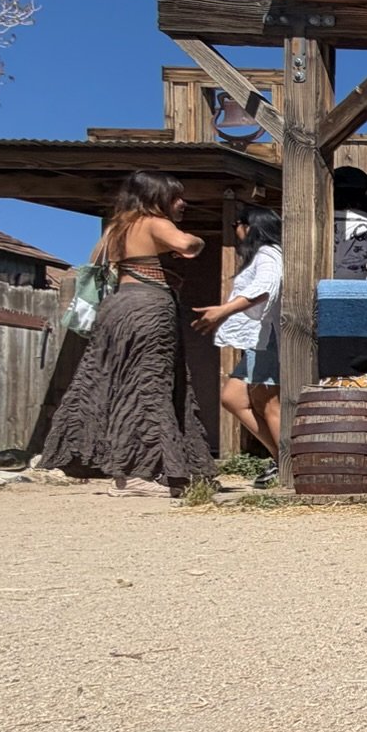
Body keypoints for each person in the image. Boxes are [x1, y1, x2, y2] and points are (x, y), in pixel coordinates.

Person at [41, 170, 216, 497]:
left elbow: (94, 262)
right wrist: (190, 242)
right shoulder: (153, 222)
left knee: (119, 385)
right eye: (175, 197)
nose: (182, 203)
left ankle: (135, 471)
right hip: (148, 308)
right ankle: (140, 475)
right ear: (156, 198)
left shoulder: (115, 228)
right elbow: (188, 244)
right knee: (151, 387)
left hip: (116, 308)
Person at [191, 206, 283, 481]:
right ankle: (281, 458)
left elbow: (267, 286)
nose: (236, 231)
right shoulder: (265, 255)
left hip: (268, 337)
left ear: (250, 226)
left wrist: (224, 310)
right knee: (234, 397)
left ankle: (289, 465)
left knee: (268, 402)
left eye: (237, 225)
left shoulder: (268, 254)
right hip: (259, 340)